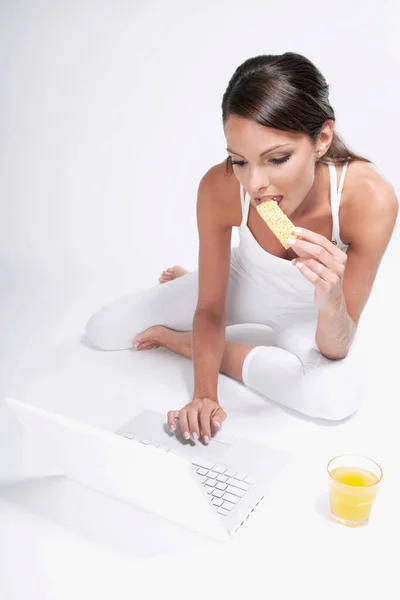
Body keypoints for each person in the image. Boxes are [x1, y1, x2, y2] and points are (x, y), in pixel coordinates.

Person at [84, 52, 398, 441]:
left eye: (277, 159)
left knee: (336, 398)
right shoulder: (220, 187)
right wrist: (204, 395)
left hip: (308, 312)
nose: (255, 184)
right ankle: (199, 309)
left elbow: (338, 345)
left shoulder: (370, 200)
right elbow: (211, 306)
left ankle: (189, 344)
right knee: (102, 330)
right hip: (241, 281)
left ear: (322, 139)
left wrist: (332, 301)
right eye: (240, 161)